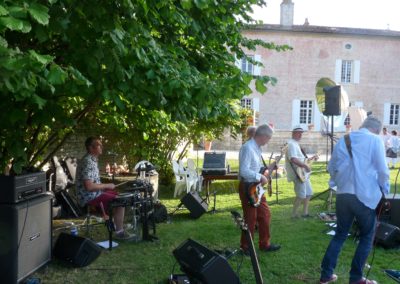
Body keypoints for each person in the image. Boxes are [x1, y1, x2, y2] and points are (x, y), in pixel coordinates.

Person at [319, 116, 390, 284]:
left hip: (343, 194)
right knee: (367, 236)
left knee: (340, 234)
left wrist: (340, 182)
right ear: (377, 130)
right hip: (363, 196)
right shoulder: (375, 140)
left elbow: (331, 168)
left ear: (363, 126)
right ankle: (356, 278)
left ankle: (326, 274)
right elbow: (383, 171)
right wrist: (383, 190)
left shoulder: (344, 139)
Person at [76, 137, 132, 240]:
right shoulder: (87, 162)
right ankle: (119, 232)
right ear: (91, 148)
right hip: (89, 197)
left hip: (95, 193)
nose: (102, 147)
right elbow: (89, 187)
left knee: (117, 194)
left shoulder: (91, 160)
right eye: (99, 145)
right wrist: (107, 185)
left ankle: (116, 224)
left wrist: (107, 187)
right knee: (121, 201)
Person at [238, 124, 281, 254]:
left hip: (256, 187)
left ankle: (265, 244)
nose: (268, 141)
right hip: (247, 187)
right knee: (250, 219)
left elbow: (257, 169)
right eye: (268, 139)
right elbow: (243, 170)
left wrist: (270, 167)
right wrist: (260, 176)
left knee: (265, 214)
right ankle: (246, 247)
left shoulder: (256, 148)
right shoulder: (247, 148)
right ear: (263, 136)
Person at [285, 126, 316, 218]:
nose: (300, 134)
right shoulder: (291, 144)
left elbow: (300, 159)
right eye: (299, 132)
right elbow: (293, 159)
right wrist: (305, 165)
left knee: (309, 193)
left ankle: (305, 213)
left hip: (302, 173)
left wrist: (310, 159)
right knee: (301, 195)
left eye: (301, 133)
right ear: (293, 133)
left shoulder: (295, 143)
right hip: (298, 174)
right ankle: (294, 214)